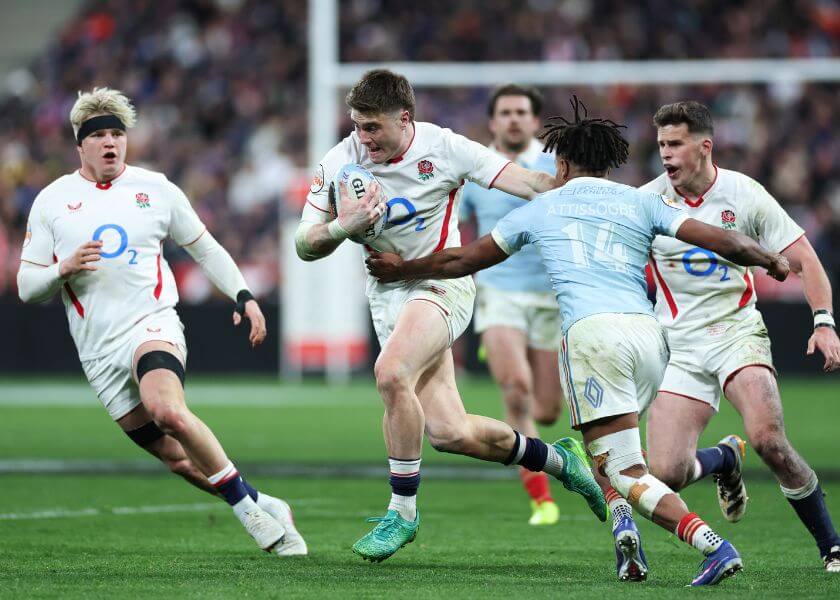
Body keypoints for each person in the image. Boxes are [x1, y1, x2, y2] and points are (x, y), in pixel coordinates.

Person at [365, 96, 791, 586]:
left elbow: (462, 261)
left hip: (594, 337)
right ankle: (628, 540)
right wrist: (769, 259)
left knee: (622, 469)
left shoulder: (546, 204)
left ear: (561, 162)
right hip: (650, 339)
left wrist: (405, 270)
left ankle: (711, 546)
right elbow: (718, 238)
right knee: (615, 457)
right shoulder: (640, 199)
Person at [295, 70, 606, 563]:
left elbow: (527, 182)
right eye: (357, 125)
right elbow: (303, 243)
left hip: (441, 285)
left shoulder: (446, 148)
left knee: (391, 372)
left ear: (405, 118)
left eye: (373, 127)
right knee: (449, 433)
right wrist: (341, 226)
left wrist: (586, 191)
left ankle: (402, 512)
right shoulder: (340, 160)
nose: (363, 138)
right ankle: (559, 459)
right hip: (387, 298)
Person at [16, 87, 306, 557]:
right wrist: (61, 269)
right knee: (178, 460)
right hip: (98, 351)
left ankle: (248, 515)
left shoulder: (157, 189)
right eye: (100, 136)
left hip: (151, 325)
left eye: (118, 134)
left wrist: (243, 295)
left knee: (169, 410)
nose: (111, 143)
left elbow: (205, 248)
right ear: (80, 145)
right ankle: (264, 501)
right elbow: (28, 287)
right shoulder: (53, 201)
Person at [641, 100, 840, 573]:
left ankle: (831, 543)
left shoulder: (744, 194)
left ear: (704, 146)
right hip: (679, 345)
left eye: (675, 144)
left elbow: (805, 260)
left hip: (736, 330)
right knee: (664, 474)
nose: (665, 155)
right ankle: (724, 459)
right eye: (661, 145)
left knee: (769, 440)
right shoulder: (647, 201)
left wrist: (825, 322)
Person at [460, 84, 563, 526]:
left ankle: (503, 350)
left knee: (547, 411)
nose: (514, 119)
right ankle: (541, 498)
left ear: (535, 121)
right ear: (493, 121)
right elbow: (451, 222)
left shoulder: (554, 168)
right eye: (506, 112)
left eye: (522, 112)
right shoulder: (477, 170)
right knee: (516, 392)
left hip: (551, 297)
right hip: (499, 292)